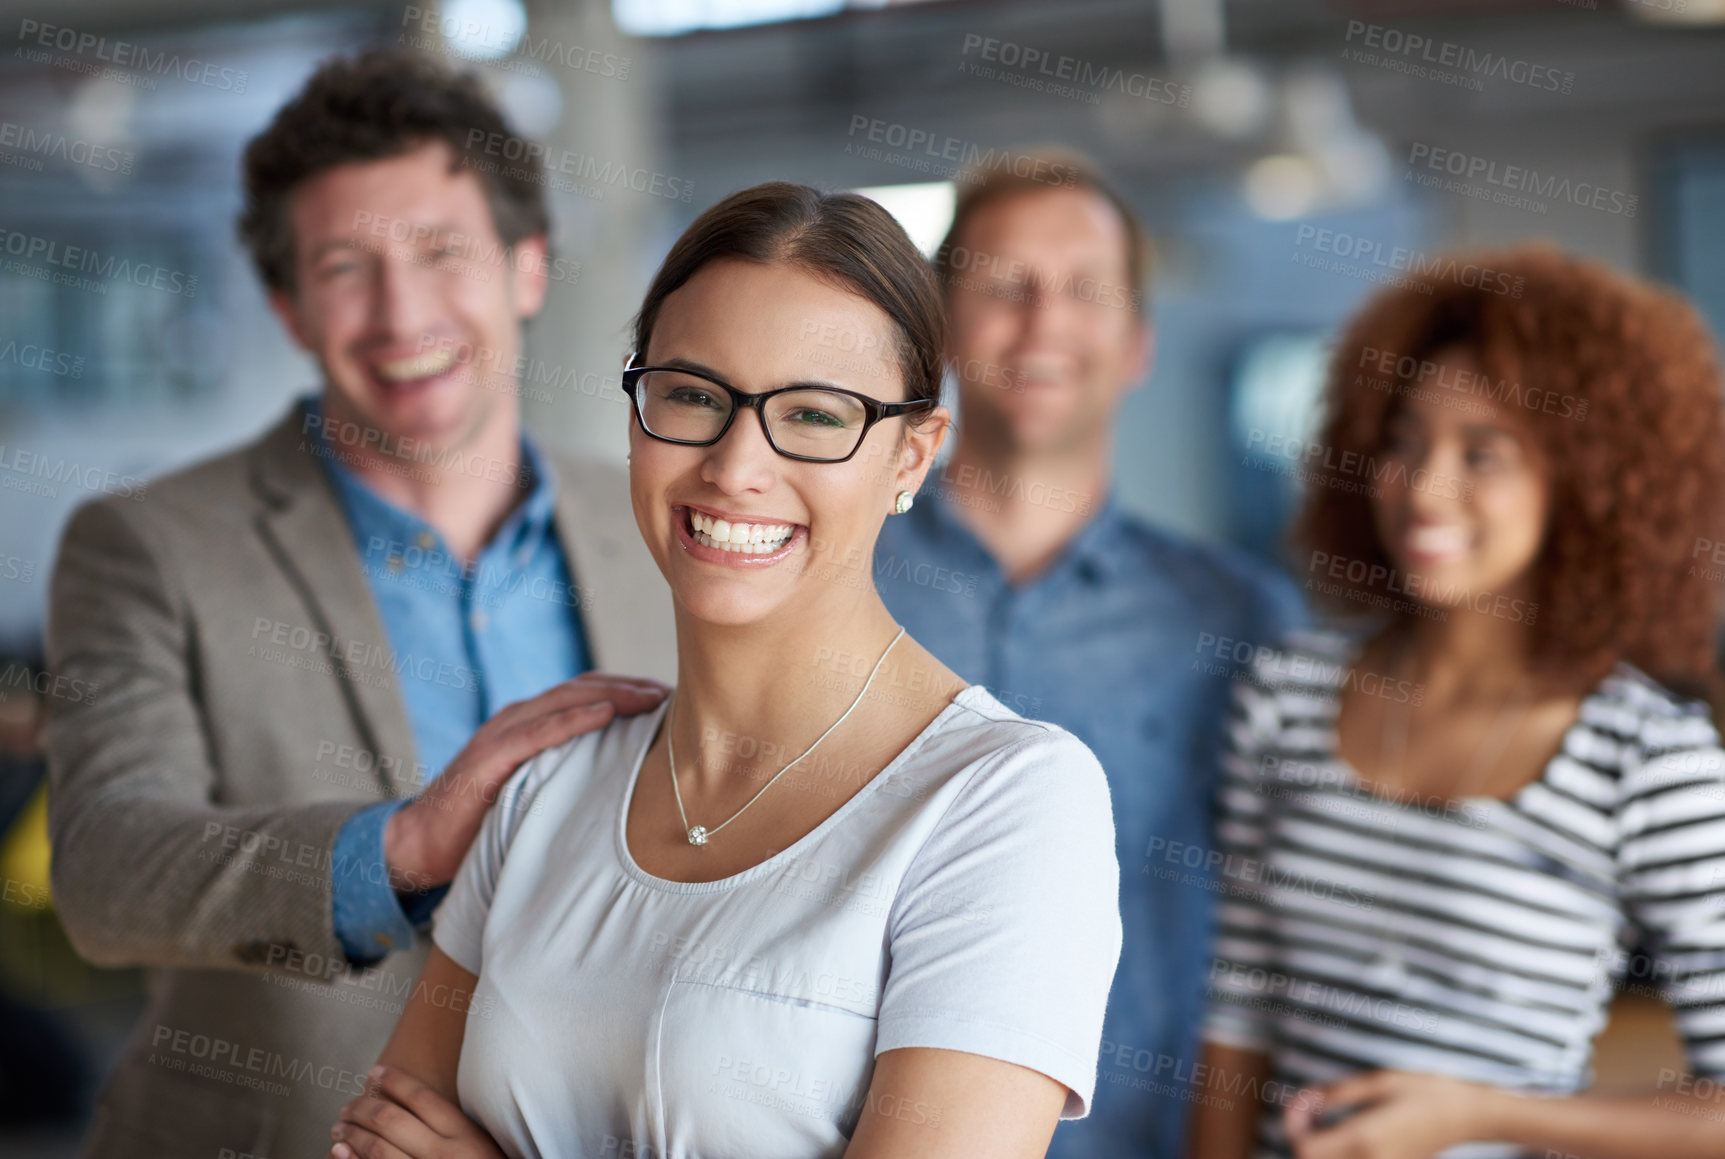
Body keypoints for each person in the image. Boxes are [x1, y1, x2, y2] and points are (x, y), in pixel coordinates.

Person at [324, 182, 1124, 1159]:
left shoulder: (1005, 802)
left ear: (912, 456)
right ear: (636, 410)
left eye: (817, 415)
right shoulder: (547, 783)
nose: (737, 464)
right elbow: (376, 1140)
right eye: (693, 396)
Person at [43, 50, 675, 1159]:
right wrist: (400, 849)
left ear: (528, 269)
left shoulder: (658, 524)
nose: (402, 312)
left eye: (444, 252)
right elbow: (104, 871)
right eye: (344, 266)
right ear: (289, 305)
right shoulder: (147, 545)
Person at [1189, 246, 1725, 1159]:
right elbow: (1236, 1000)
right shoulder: (1286, 689)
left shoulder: (1648, 757)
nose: (1424, 486)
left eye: (1483, 453)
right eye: (1403, 441)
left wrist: (1480, 1115)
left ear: (1586, 482)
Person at [871, 149, 1303, 1158]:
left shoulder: (1243, 619)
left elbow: (1279, 925)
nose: (1044, 322)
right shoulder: (832, 574)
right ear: (939, 325)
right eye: (1003, 286)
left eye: (1083, 290)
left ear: (1139, 339)